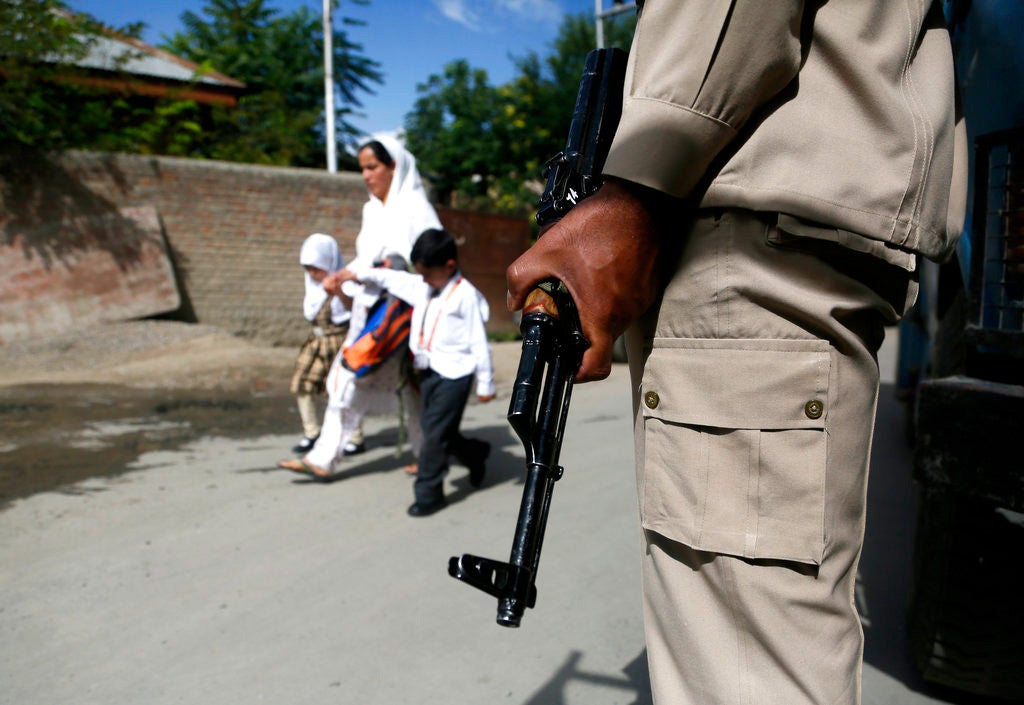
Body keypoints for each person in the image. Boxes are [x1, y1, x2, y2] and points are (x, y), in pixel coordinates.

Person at [505, 3, 966, 704]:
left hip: (739, 237)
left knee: (741, 664)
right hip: (806, 227)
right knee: (759, 640)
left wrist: (634, 185)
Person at [337, 228, 496, 517]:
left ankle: (428, 494)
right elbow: (391, 278)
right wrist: (356, 274)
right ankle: (475, 453)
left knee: (433, 434)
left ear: (448, 266)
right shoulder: (422, 286)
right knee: (438, 429)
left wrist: (485, 382)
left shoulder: (465, 296)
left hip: (456, 374)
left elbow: (478, 342)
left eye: (426, 274)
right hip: (428, 371)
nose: (422, 279)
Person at [338, 134, 444, 456]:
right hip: (368, 310)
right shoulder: (371, 210)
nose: (367, 176)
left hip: (403, 314)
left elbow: (434, 258)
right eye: (362, 169)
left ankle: (430, 456)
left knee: (412, 390)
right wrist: (342, 279)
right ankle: (325, 454)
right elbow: (363, 257)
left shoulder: (416, 208)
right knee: (346, 378)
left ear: (393, 166)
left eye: (373, 167)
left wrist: (396, 266)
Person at [278, 253, 422, 481]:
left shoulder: (401, 282)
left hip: (392, 359)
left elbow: (391, 284)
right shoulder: (367, 284)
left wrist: (353, 274)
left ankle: (429, 458)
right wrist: (341, 288)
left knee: (415, 408)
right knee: (340, 400)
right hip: (364, 357)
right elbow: (355, 309)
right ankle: (321, 460)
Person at [288, 233, 350, 454]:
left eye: (317, 269)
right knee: (302, 384)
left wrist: (339, 292)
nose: (313, 275)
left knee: (343, 392)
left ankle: (354, 437)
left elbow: (352, 310)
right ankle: (312, 432)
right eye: (309, 270)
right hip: (317, 342)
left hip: (339, 344)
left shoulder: (344, 285)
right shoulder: (311, 289)